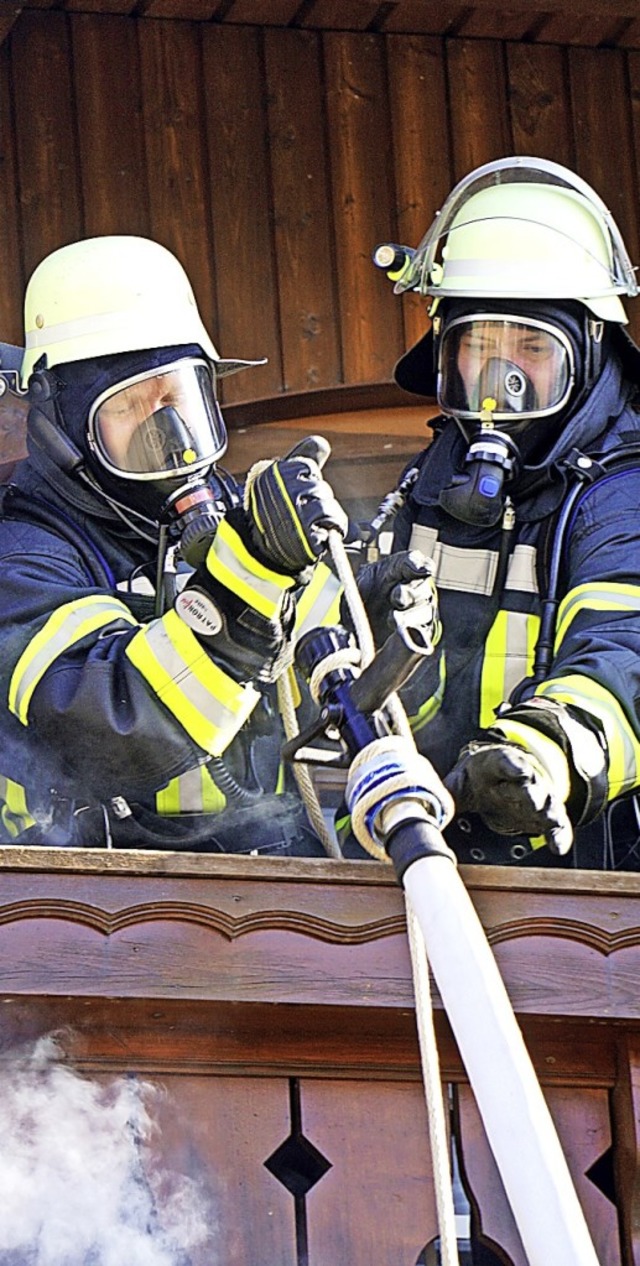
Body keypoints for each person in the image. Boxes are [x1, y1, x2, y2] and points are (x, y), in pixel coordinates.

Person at [0, 234, 349, 853]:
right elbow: (111, 726)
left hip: (266, 876)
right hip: (82, 897)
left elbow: (335, 696)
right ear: (64, 432)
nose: (170, 434)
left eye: (178, 398)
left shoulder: (240, 519)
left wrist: (364, 610)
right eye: (131, 407)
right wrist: (252, 580)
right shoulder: (23, 555)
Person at [347, 155, 640, 871]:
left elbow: (628, 653)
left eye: (533, 348)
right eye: (480, 347)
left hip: (596, 871)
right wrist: (382, 646)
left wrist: (543, 751)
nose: (501, 381)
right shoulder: (430, 481)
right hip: (436, 849)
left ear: (591, 351)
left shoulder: (621, 491)